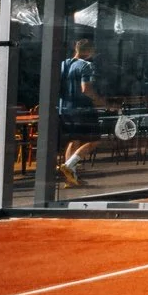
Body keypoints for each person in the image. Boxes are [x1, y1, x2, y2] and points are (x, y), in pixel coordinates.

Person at [55, 37, 106, 187]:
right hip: (81, 108)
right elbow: (86, 89)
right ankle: (69, 166)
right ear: (89, 51)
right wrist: (102, 102)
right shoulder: (86, 66)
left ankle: (71, 179)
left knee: (74, 140)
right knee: (94, 139)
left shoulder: (63, 65)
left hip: (64, 108)